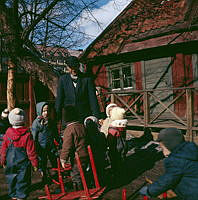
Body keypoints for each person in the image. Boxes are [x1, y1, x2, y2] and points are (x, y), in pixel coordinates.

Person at [139, 128, 198, 200]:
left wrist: (149, 190)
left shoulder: (177, 160)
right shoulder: (190, 151)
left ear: (170, 145)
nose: (163, 153)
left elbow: (167, 180)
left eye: (162, 148)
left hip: (191, 194)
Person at [0, 108, 38, 200]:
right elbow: (31, 151)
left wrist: (2, 160)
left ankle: (13, 195)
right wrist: (35, 163)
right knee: (23, 180)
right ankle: (21, 197)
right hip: (23, 163)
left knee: (11, 179)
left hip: (10, 162)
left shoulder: (7, 133)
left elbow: (3, 149)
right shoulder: (27, 135)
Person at [55, 56, 101, 129]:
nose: (73, 70)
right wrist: (56, 117)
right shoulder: (63, 79)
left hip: (84, 116)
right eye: (71, 67)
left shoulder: (87, 79)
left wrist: (97, 116)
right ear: (67, 67)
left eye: (75, 67)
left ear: (78, 66)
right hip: (68, 117)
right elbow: (59, 99)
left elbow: (93, 99)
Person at [60, 105, 89, 191]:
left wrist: (63, 159)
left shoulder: (69, 129)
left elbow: (67, 146)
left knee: (76, 176)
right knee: (84, 173)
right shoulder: (82, 126)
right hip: (85, 154)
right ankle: (86, 187)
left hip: (77, 158)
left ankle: (80, 191)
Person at [31, 102, 61, 180]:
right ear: (39, 111)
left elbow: (55, 133)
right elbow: (34, 136)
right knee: (43, 161)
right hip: (41, 146)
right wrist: (35, 146)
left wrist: (59, 141)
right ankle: (43, 175)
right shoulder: (36, 123)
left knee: (54, 159)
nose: (46, 113)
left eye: (47, 110)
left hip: (51, 145)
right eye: (44, 111)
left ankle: (57, 174)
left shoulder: (51, 121)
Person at [107, 106, 128, 185]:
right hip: (123, 146)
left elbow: (110, 140)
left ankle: (116, 177)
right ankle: (123, 175)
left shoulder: (113, 128)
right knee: (121, 161)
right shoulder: (123, 125)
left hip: (115, 148)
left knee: (114, 162)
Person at [84, 116, 107, 185]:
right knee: (101, 169)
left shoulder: (85, 137)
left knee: (93, 171)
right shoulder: (101, 135)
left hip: (91, 157)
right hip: (101, 155)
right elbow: (105, 145)